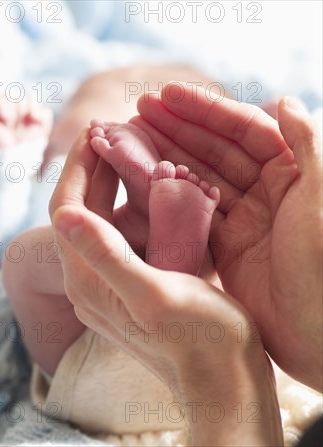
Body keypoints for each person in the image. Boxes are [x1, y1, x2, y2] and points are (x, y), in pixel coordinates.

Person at [48, 85, 322, 444]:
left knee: (22, 264)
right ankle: (168, 260)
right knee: (214, 267)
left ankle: (151, 241)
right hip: (232, 360)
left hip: (102, 377)